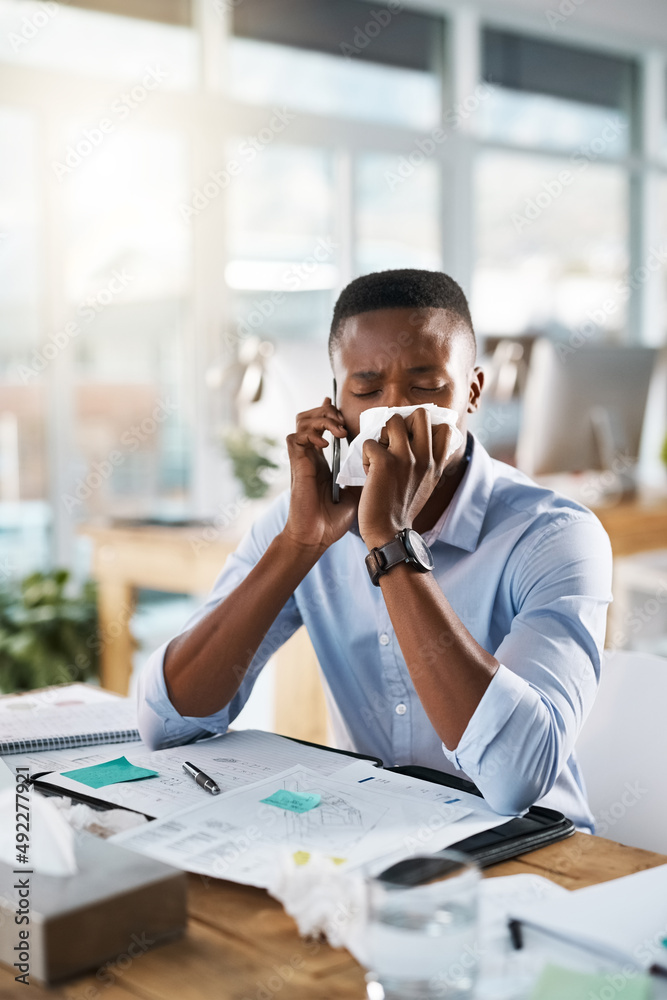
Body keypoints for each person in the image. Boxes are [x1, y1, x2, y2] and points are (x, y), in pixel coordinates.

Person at [137, 269, 612, 831]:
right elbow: (169, 723)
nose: (395, 414)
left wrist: (390, 541)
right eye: (365, 390)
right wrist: (298, 545)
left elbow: (515, 781)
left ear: (473, 393)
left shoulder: (555, 536)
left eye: (428, 386)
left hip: (534, 852)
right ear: (334, 405)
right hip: (381, 837)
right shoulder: (303, 522)